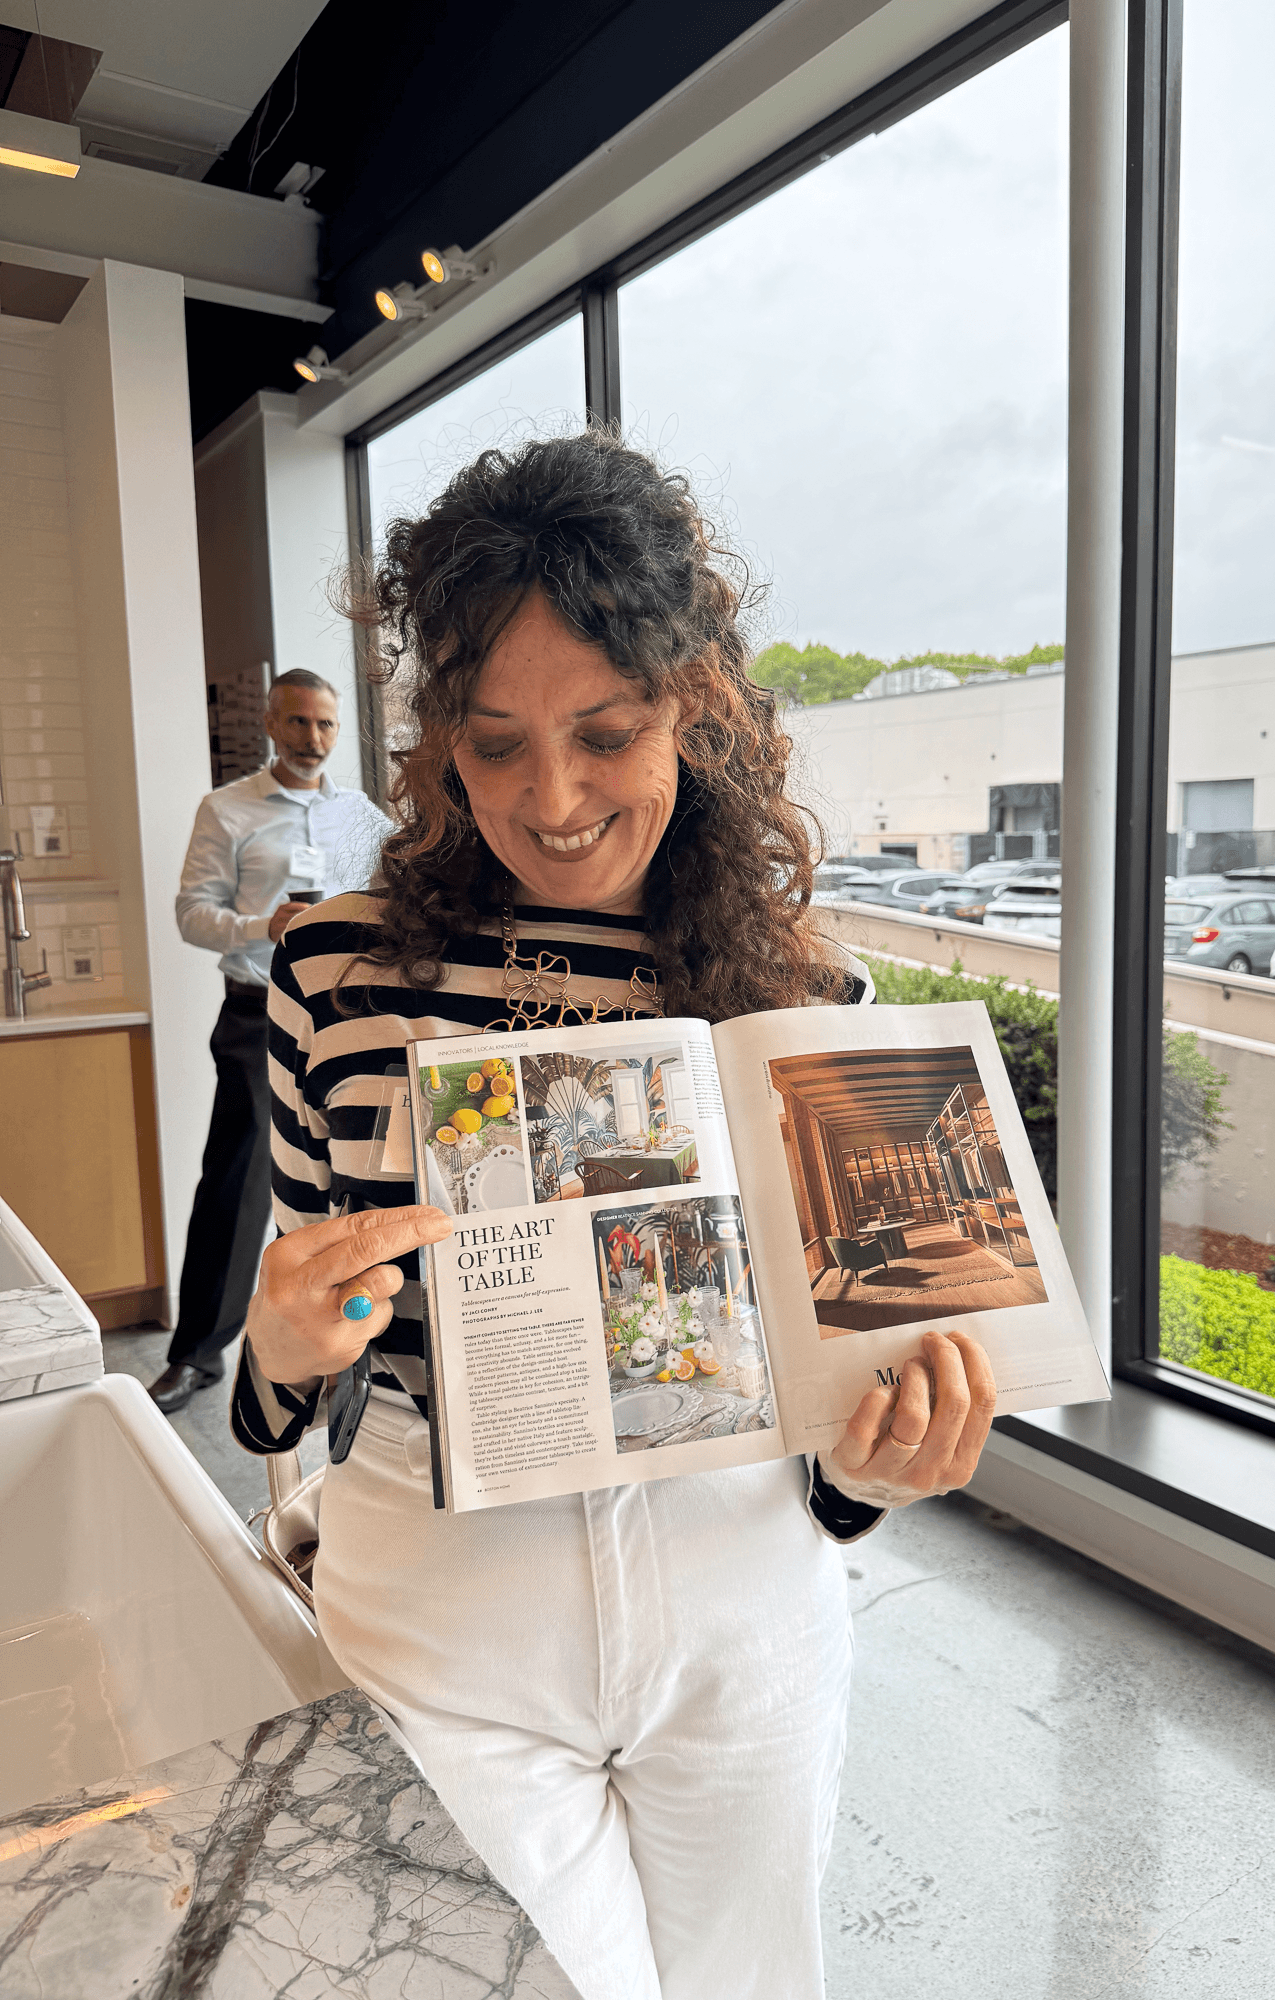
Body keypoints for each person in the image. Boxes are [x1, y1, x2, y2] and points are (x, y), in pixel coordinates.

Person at [230, 434, 996, 1999]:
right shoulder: (339, 966)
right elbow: (297, 1364)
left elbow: (835, 1405)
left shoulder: (808, 995)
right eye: (493, 742)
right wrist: (280, 1343)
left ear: (692, 706)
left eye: (606, 732)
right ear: (437, 737)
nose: (551, 798)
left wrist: (875, 1473)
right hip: (441, 1591)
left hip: (744, 1596)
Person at [149, 669, 390, 1413]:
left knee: (358, 1172)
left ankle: (357, 1351)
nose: (312, 740)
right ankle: (198, 1355)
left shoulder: (360, 813)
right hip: (257, 1011)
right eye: (298, 724)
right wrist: (264, 926)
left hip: (352, 1008)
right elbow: (193, 913)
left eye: (325, 726)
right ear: (268, 721)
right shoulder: (227, 811)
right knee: (240, 1177)